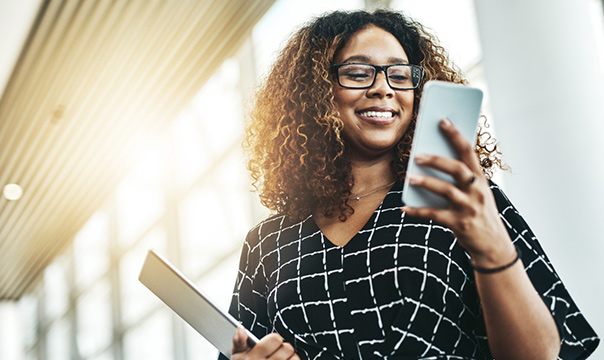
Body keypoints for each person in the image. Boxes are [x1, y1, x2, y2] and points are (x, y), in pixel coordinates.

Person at [221, 9, 599, 360]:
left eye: (400, 75)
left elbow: (546, 354)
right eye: (357, 73)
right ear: (317, 90)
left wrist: (492, 250)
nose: (383, 89)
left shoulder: (462, 201)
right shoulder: (267, 244)